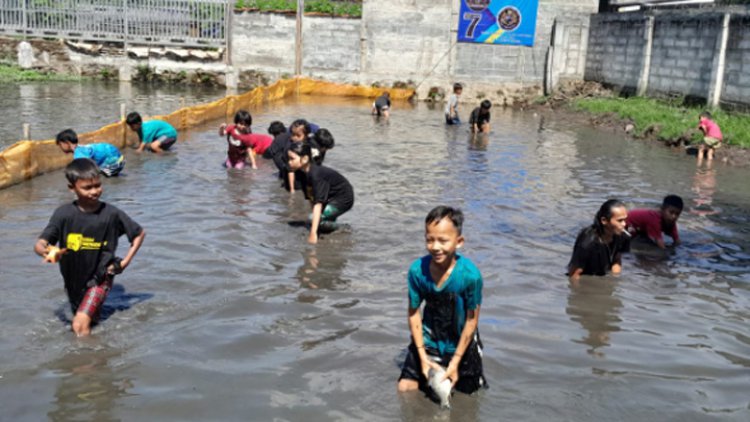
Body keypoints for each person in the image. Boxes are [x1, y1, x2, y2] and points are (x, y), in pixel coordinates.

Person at [34, 158, 146, 336]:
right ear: (72, 188)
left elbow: (139, 233)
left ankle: (87, 361)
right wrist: (47, 251)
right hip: (73, 278)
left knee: (79, 325)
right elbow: (41, 243)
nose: (94, 191)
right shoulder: (63, 214)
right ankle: (102, 348)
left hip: (101, 277)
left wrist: (125, 262)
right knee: (90, 320)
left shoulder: (111, 214)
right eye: (87, 188)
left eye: (98, 185)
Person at [397, 206, 487, 398]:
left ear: (459, 242)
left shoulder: (470, 276)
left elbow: (472, 321)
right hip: (429, 339)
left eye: (443, 241)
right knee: (405, 390)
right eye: (430, 240)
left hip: (460, 343)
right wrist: (421, 356)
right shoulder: (417, 271)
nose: (435, 247)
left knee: (466, 400)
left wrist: (454, 363)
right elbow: (414, 313)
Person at [286, 142, 354, 244]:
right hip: (330, 196)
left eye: (292, 159)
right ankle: (327, 223)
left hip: (343, 198)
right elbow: (311, 198)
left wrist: (313, 233)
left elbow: (318, 204)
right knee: (315, 220)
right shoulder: (302, 174)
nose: (289, 162)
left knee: (313, 218)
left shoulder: (316, 175)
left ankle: (343, 227)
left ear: (304, 159)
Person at [568, 199, 629, 284]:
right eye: (619, 220)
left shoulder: (621, 235)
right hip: (586, 278)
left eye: (625, 220)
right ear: (604, 221)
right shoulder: (587, 243)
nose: (624, 224)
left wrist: (614, 279)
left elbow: (617, 259)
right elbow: (574, 275)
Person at [55, 129, 125, 177]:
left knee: (100, 177)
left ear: (67, 143)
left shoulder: (79, 153)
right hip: (115, 156)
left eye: (60, 145)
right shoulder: (81, 148)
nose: (60, 148)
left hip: (113, 160)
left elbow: (86, 168)